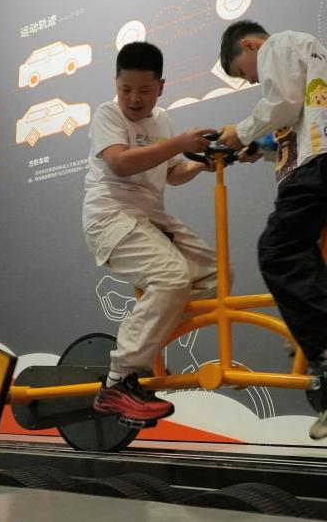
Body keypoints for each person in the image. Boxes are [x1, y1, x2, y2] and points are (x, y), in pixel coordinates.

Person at [217, 21, 327, 439]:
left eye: (244, 73)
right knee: (301, 249)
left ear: (250, 45)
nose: (252, 80)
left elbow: (282, 102)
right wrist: (257, 148)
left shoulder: (277, 46)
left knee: (277, 251)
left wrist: (238, 132)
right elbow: (300, 114)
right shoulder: (310, 56)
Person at [83, 41, 220, 425]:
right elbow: (120, 163)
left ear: (160, 87)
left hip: (150, 218)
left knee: (214, 275)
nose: (134, 98)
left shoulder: (162, 122)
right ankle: (119, 380)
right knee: (172, 277)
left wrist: (202, 163)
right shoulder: (107, 114)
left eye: (144, 90)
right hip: (111, 216)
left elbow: (173, 173)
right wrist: (179, 144)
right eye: (125, 89)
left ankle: (142, 348)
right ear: (116, 84)